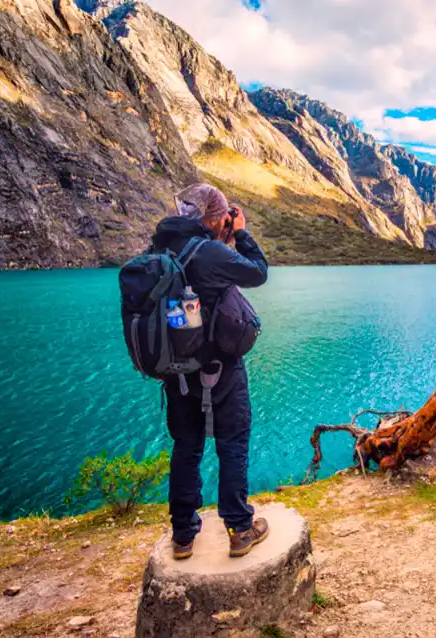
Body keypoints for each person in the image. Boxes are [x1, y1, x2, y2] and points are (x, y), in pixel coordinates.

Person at [150, 183, 269, 560]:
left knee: (186, 447)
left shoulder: (159, 250)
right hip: (222, 370)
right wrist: (242, 233)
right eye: (223, 219)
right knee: (232, 443)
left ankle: (183, 535)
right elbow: (258, 273)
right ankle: (239, 527)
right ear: (216, 218)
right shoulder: (211, 251)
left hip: (176, 372)